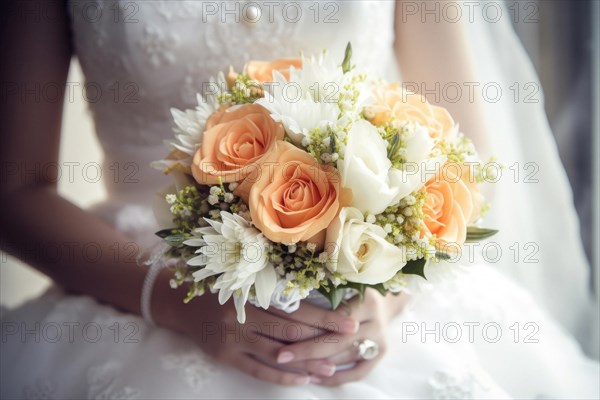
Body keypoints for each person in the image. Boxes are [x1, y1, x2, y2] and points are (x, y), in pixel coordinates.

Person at [1, 1, 598, 398]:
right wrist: (177, 304)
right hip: (140, 280)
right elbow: (14, 191)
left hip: (380, 292)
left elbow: (470, 162)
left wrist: (385, 297)